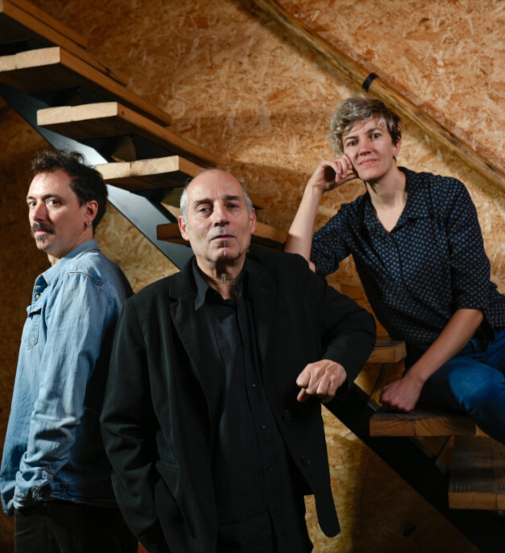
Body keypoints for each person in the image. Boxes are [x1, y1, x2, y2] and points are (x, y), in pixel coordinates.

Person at [285, 96, 505, 553]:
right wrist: (314, 189)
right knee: (477, 383)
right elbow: (294, 275)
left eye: (375, 135)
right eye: (352, 142)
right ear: (345, 158)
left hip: (502, 338)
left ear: (396, 143)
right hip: (445, 367)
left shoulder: (444, 195)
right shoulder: (352, 221)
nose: (364, 147)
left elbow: (473, 305)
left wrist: (412, 379)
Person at [100, 169, 376, 553]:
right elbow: (121, 427)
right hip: (200, 531)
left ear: (251, 221)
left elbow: (357, 324)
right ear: (184, 227)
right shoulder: (145, 313)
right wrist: (155, 522)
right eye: (204, 209)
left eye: (232, 205)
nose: (220, 217)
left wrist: (337, 364)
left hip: (284, 520)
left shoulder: (290, 279)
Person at [0, 150, 137, 553]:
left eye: (53, 202)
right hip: (74, 496)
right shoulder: (86, 276)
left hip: (62, 497)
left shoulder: (80, 278)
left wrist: (30, 485)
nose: (37, 215)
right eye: (31, 202)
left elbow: (60, 400)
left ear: (89, 211)